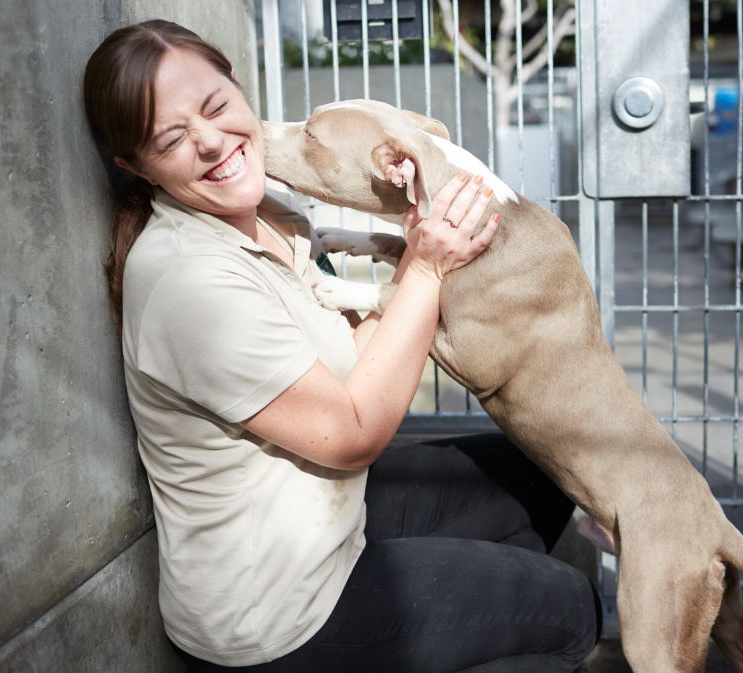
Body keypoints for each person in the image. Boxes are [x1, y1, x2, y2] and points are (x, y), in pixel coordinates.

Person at [83, 19, 600, 673]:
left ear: (236, 87)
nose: (212, 143)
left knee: (541, 472)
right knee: (570, 614)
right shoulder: (188, 280)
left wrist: (424, 263)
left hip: (333, 521)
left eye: (214, 108)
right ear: (135, 166)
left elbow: (353, 346)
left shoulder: (270, 217)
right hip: (278, 612)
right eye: (173, 139)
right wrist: (425, 270)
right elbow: (353, 430)